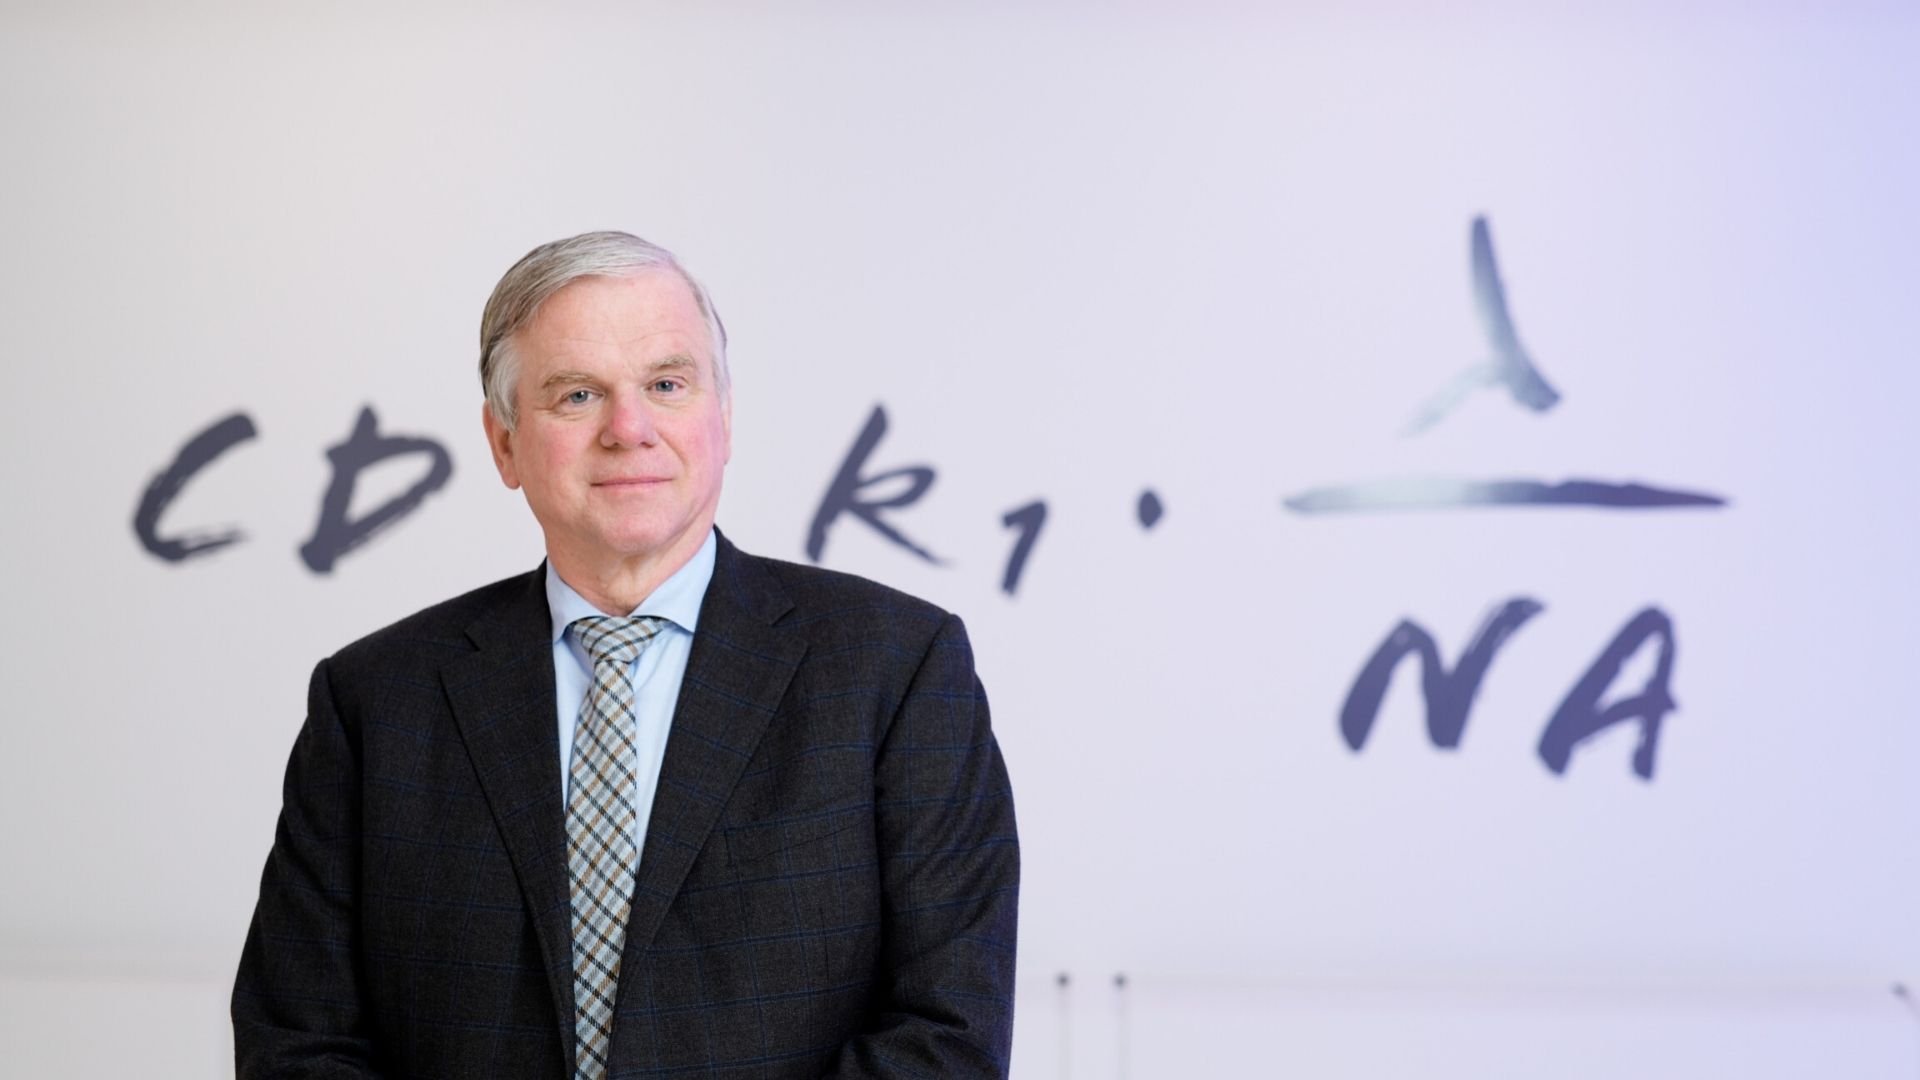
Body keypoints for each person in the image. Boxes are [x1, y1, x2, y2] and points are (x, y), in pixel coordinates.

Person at [232, 232, 1019, 1079]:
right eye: (576, 395)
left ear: (723, 417)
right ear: (504, 442)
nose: (628, 429)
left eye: (667, 384)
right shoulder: (374, 701)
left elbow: (948, 1035)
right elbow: (298, 1044)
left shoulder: (897, 671)